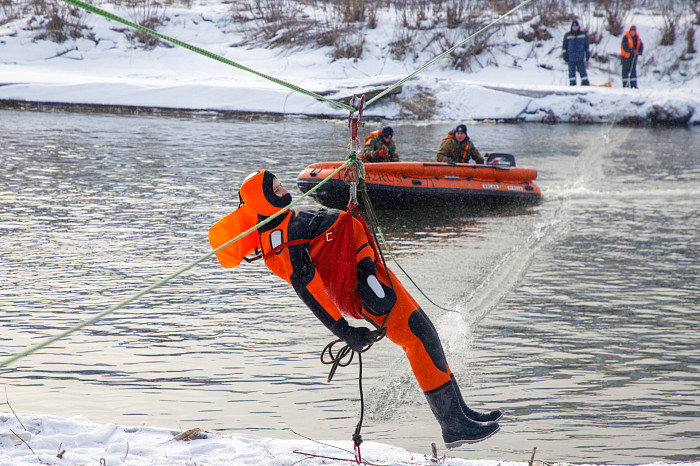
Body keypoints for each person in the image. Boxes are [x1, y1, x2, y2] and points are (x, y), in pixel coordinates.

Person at [209, 170, 502, 448]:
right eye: (276, 190)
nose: (284, 191)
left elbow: (339, 229)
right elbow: (308, 290)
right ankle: (453, 426)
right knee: (417, 340)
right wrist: (344, 330)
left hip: (366, 270)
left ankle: (461, 414)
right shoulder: (280, 243)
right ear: (263, 202)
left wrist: (363, 259)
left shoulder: (285, 219)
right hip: (361, 287)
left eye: (281, 185)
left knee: (426, 334)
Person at [562, 19, 590, 86]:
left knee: (583, 73)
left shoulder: (582, 35)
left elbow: (586, 46)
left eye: (576, 26)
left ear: (578, 27)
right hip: (571, 58)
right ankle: (572, 86)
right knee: (571, 74)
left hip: (580, 57)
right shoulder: (567, 35)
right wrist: (564, 55)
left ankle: (585, 85)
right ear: (571, 27)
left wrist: (587, 54)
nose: (575, 28)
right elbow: (564, 46)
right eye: (573, 26)